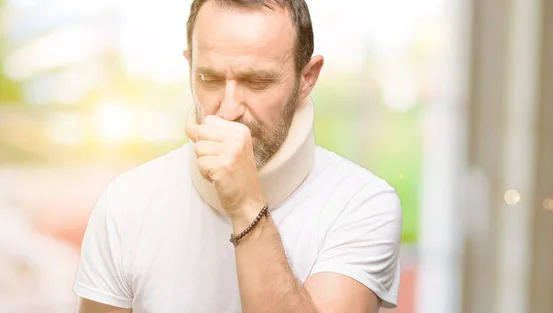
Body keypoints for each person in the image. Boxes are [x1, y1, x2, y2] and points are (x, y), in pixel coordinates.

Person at [73, 0, 403, 312]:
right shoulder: (124, 204)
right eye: (209, 78)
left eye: (257, 81)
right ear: (190, 66)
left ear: (307, 78)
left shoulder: (364, 203)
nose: (229, 110)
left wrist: (246, 205)